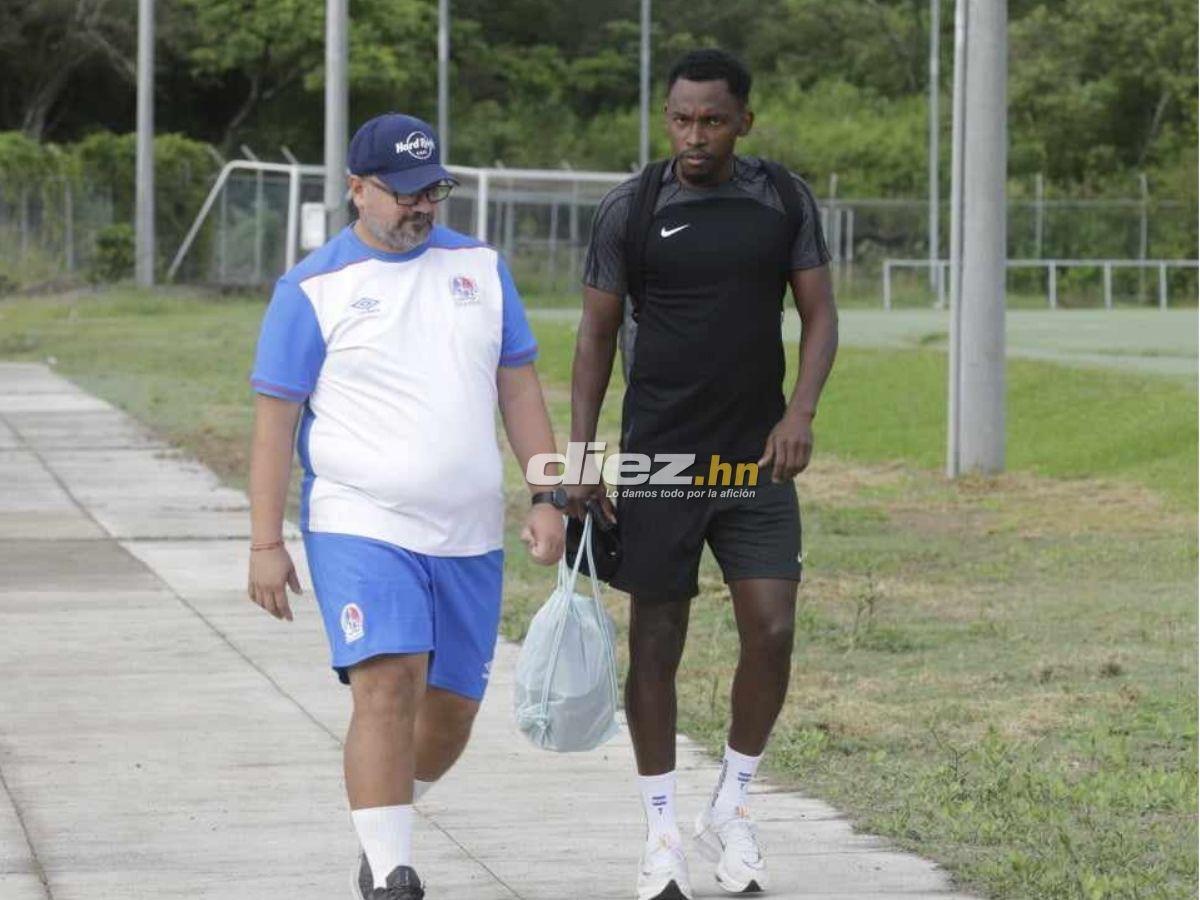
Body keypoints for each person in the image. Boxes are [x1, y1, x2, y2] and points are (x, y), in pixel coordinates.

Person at [246, 112, 565, 900]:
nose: (422, 206)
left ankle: (380, 821)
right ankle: (392, 873)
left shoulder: (482, 270)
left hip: (467, 533)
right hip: (360, 523)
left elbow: (519, 385)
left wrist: (549, 491)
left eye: (435, 191)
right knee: (387, 681)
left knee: (450, 716)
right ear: (358, 190)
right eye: (405, 193)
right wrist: (263, 541)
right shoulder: (312, 288)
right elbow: (275, 421)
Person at [569, 49, 839, 899]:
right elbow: (595, 338)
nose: (695, 135)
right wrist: (581, 462)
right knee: (657, 644)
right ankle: (660, 835)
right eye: (681, 119)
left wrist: (799, 414)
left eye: (712, 120)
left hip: (755, 458)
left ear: (743, 121)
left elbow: (821, 312)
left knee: (773, 630)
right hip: (660, 459)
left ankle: (733, 805)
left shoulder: (783, 198)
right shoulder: (633, 205)